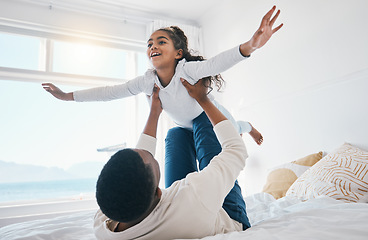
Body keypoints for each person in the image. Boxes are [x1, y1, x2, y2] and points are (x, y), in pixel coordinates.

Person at [41, 6, 283, 146]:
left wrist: (251, 45)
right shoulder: (148, 80)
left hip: (207, 118)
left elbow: (217, 63)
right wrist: (66, 96)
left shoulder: (187, 70)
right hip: (182, 127)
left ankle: (248, 126)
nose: (152, 46)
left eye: (160, 41)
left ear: (179, 53)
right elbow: (110, 92)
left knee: (235, 127)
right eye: (149, 43)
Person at [94, 77, 250, 240]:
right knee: (202, 121)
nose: (149, 153)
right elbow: (236, 150)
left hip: (183, 211)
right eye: (153, 160)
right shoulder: (195, 197)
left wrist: (154, 112)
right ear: (159, 193)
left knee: (176, 134)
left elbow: (140, 165)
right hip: (227, 216)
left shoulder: (104, 222)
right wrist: (203, 99)